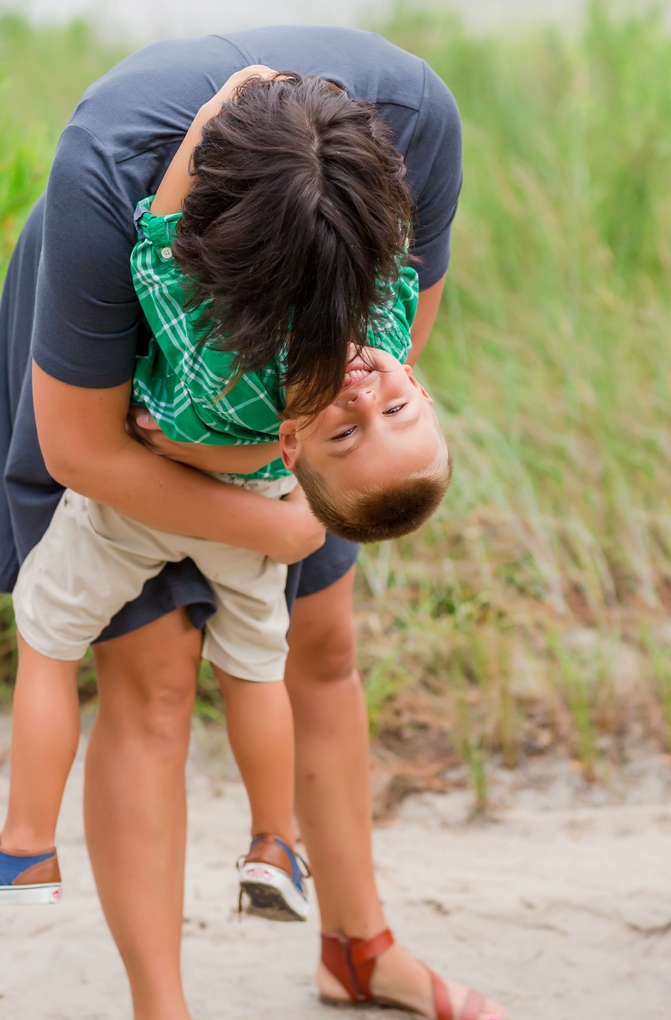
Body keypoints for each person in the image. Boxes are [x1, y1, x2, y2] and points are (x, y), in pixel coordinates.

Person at [0, 27, 504, 1020]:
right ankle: (162, 1007)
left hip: (293, 441)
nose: (374, 382)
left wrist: (311, 448)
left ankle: (355, 949)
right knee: (151, 680)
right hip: (129, 407)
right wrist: (270, 509)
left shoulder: (412, 136)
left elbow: (411, 326)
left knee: (320, 644)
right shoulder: (113, 182)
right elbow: (88, 448)